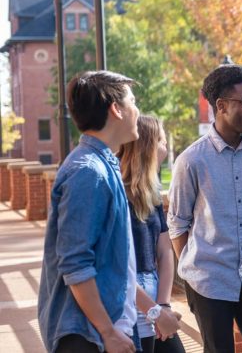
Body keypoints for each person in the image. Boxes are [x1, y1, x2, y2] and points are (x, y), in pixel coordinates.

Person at [38, 71, 179, 353]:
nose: (137, 111)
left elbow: (114, 264)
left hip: (109, 329)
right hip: (88, 335)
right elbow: (75, 264)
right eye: (132, 101)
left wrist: (150, 313)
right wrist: (107, 331)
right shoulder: (88, 172)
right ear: (116, 109)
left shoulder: (104, 166)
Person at [168, 64, 242, 353]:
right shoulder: (191, 160)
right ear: (221, 105)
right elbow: (178, 223)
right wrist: (196, 272)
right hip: (208, 283)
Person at [118, 115, 186, 353]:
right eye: (162, 141)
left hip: (155, 296)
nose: (166, 149)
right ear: (147, 147)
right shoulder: (116, 195)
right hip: (128, 301)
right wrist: (153, 311)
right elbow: (115, 268)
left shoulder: (152, 193)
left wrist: (164, 305)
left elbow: (165, 250)